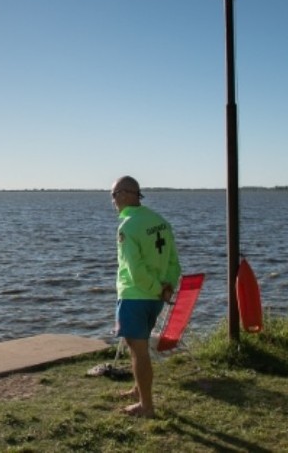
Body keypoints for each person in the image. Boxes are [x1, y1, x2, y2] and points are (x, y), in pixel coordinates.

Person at [111, 175, 181, 418]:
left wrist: (154, 288)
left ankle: (146, 406)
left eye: (114, 195)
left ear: (126, 194)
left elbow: (135, 269)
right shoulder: (160, 221)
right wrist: (166, 287)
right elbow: (173, 261)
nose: (113, 201)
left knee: (138, 350)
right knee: (137, 347)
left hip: (135, 297)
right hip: (155, 299)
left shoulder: (128, 226)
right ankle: (137, 390)